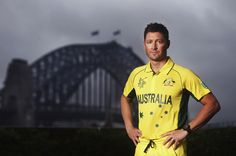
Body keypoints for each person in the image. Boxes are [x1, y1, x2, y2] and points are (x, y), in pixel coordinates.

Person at [121, 22, 220, 156]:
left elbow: (212, 104)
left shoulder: (183, 74)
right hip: (142, 148)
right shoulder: (136, 74)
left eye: (159, 42)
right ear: (144, 44)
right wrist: (129, 127)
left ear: (167, 44)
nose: (154, 46)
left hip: (170, 148)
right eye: (149, 42)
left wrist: (187, 130)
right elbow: (125, 98)